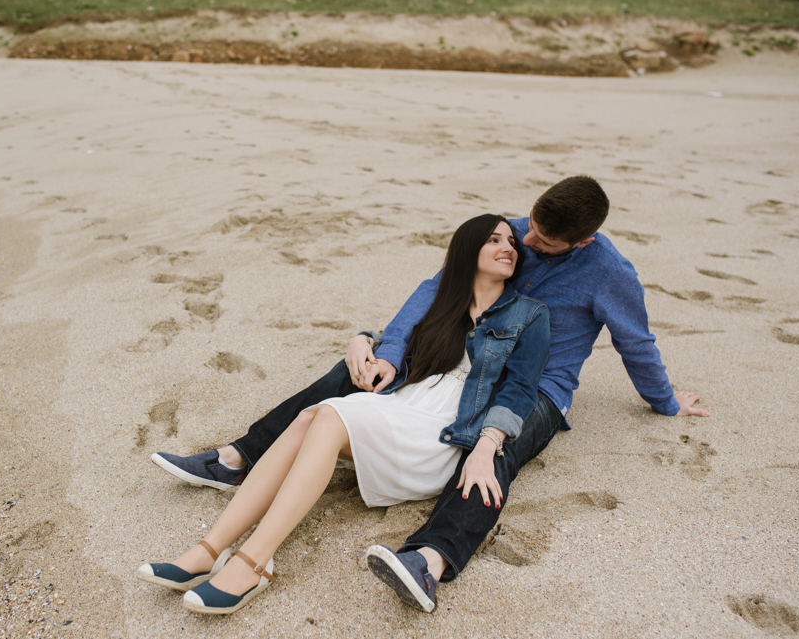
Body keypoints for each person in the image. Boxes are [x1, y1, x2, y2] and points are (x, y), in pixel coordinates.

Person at [151, 175, 710, 613]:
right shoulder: (510, 234)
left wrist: (665, 401)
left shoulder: (607, 272)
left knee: (495, 453)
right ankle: (239, 458)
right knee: (354, 373)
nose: (528, 244)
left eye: (543, 241)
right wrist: (383, 349)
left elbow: (635, 342)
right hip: (458, 362)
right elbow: (437, 291)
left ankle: (428, 557)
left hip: (536, 384)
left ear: (582, 241)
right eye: (527, 231)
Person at [137, 214, 550, 615]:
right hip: (403, 407)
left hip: (442, 433)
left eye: (511, 242)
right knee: (308, 418)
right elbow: (397, 335)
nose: (507, 247)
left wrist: (486, 445)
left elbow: (519, 389)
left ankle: (253, 561)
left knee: (327, 415)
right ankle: (210, 550)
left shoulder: (530, 314)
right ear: (467, 248)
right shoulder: (443, 298)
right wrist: (364, 338)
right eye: (494, 240)